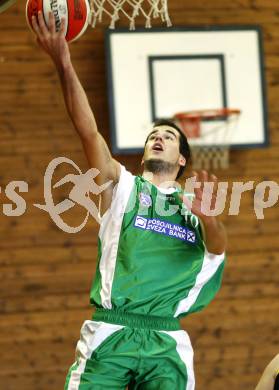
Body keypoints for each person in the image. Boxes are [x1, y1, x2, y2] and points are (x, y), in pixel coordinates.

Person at [32, 12, 227, 390]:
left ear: (182, 159)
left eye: (169, 136)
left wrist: (210, 218)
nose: (159, 137)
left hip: (166, 341)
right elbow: (87, 129)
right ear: (142, 153)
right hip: (111, 331)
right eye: (153, 134)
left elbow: (217, 249)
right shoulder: (121, 187)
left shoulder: (195, 208)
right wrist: (63, 62)